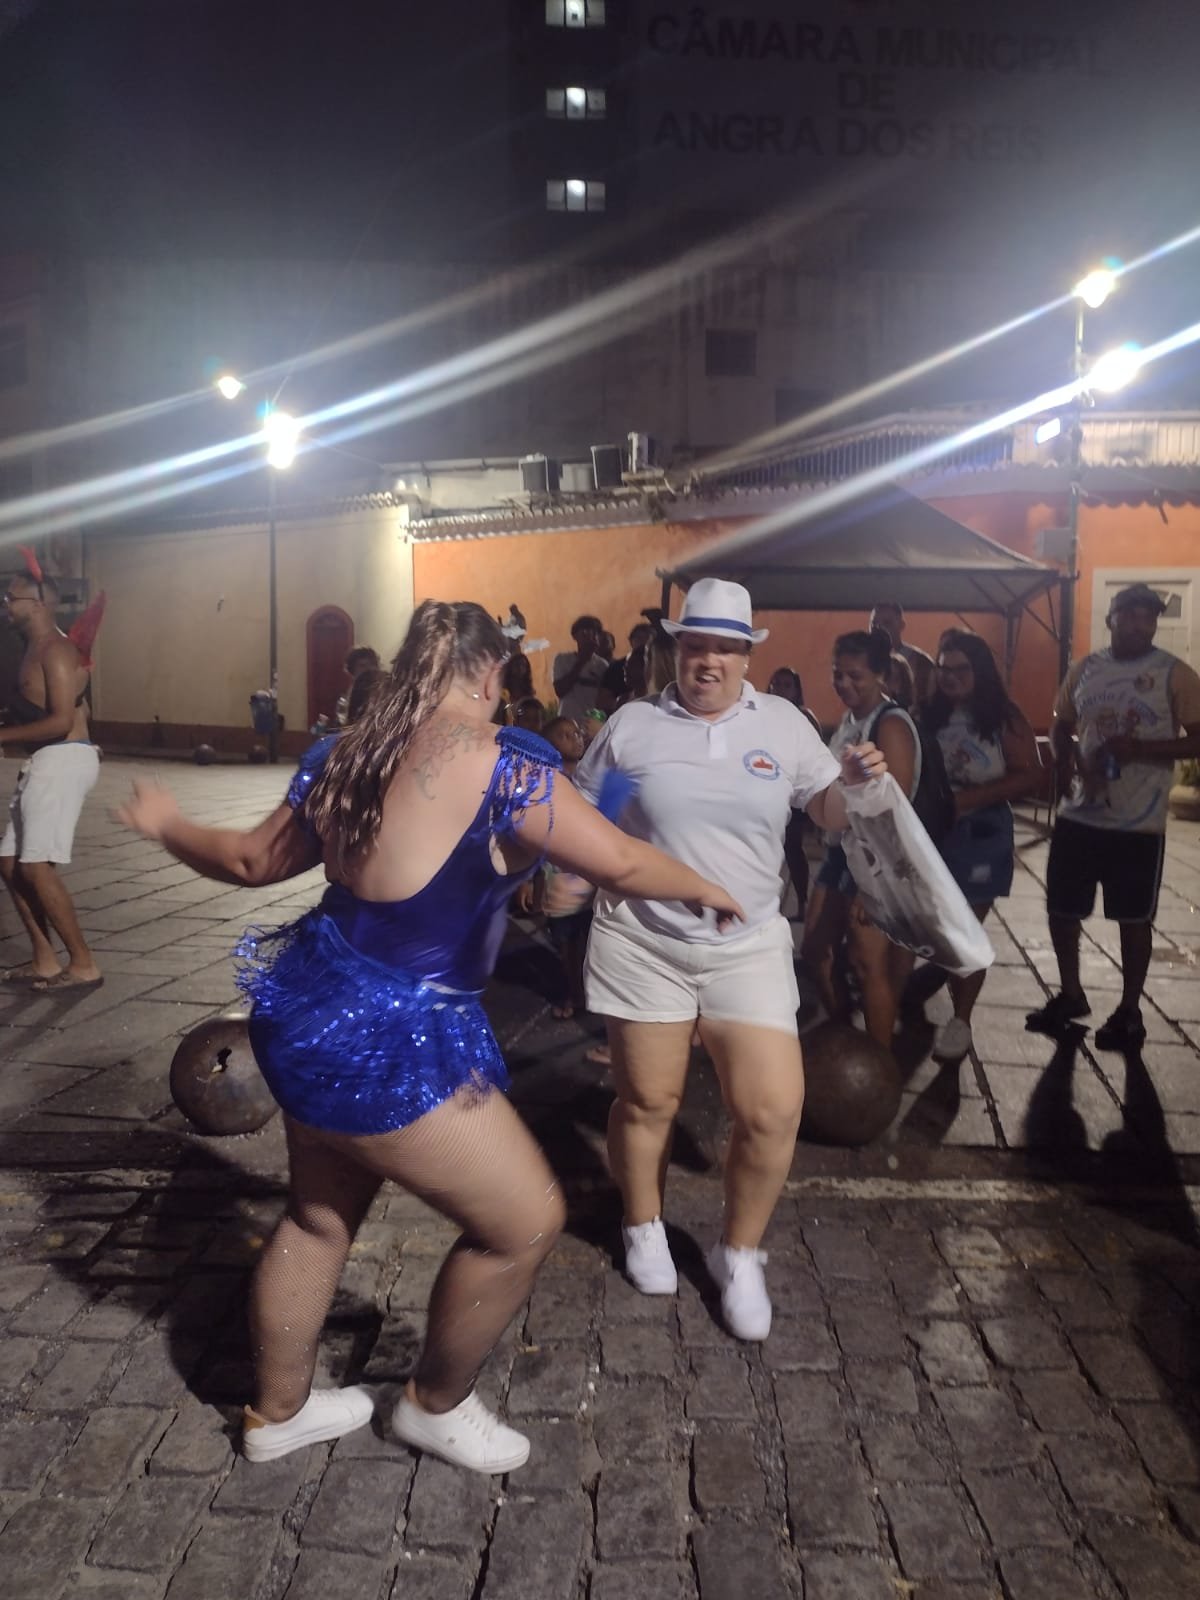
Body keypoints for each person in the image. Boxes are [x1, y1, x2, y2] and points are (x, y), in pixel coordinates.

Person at [117, 600, 741, 1474]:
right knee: (524, 1222)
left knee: (318, 1217)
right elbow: (625, 861)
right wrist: (710, 888)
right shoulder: (506, 767)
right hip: (395, 1036)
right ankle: (433, 1406)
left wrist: (168, 825)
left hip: (310, 1007)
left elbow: (252, 863)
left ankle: (278, 1413)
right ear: (492, 674)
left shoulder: (346, 754)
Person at [576, 579, 885, 1342]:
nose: (707, 661)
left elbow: (824, 810)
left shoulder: (782, 724)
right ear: (676, 648)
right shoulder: (634, 728)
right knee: (648, 1102)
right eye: (694, 646)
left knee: (773, 1110)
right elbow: (593, 819)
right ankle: (642, 1223)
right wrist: (563, 881)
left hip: (746, 945)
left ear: (747, 655)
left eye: (724, 648)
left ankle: (738, 1252)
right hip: (644, 942)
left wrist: (854, 786)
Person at [1027, 583, 1200, 1051]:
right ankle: (1071, 994)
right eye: (1132, 615)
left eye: (1150, 617)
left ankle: (1129, 1010)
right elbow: (1061, 722)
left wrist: (1141, 748)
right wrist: (1064, 760)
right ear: (1112, 619)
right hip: (1079, 815)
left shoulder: (1174, 674)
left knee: (1133, 918)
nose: (1142, 624)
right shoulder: (1086, 668)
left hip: (1137, 823)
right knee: (1062, 910)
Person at [912, 631, 1040, 1061]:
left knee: (964, 928)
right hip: (932, 832)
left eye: (960, 669)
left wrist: (968, 800)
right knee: (934, 925)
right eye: (943, 669)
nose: (950, 677)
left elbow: (1030, 774)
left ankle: (961, 1020)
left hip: (981, 834)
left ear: (980, 671)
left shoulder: (1004, 717)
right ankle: (932, 977)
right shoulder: (927, 714)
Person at [802, 628, 919, 1052]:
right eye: (838, 674)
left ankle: (879, 1063)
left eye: (856, 676)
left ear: (882, 675)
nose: (844, 683)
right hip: (841, 853)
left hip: (876, 859)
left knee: (868, 963)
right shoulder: (852, 721)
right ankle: (847, 1040)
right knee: (816, 950)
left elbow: (893, 810)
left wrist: (871, 885)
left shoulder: (890, 724)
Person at [0, 572, 102, 990]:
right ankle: (44, 959)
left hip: (63, 759)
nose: (6, 603)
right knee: (10, 864)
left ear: (39, 604)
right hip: (46, 760)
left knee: (36, 866)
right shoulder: (33, 647)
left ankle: (83, 964)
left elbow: (61, 720)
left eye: (13, 597)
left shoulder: (57, 649)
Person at [766, 667, 821, 918]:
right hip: (767, 789)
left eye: (786, 685)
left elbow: (815, 758)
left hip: (794, 793)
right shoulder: (760, 714)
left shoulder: (804, 717)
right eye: (776, 683)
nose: (780, 689)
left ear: (797, 690)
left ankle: (802, 902)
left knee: (792, 847)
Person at [870, 601, 935, 705]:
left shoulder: (921, 662)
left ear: (901, 625)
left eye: (887, 623)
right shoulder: (863, 660)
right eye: (874, 623)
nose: (879, 628)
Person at [553, 615, 610, 723]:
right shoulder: (562, 659)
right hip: (568, 721)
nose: (590, 637)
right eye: (585, 632)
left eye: (595, 633)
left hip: (591, 724)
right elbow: (560, 690)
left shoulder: (603, 665)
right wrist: (582, 660)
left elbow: (605, 699)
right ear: (575, 636)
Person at [598, 621, 653, 712]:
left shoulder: (659, 665)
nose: (643, 642)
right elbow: (602, 701)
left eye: (647, 638)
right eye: (639, 638)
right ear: (631, 640)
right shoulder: (616, 668)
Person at [336, 646, 381, 726]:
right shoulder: (344, 700)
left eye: (372, 664)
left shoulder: (385, 691)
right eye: (362, 666)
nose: (369, 669)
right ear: (352, 670)